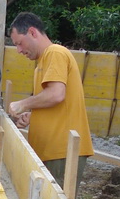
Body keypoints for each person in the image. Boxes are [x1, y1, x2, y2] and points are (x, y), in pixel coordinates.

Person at [7, 11, 93, 187]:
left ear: (32, 32)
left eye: (19, 43)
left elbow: (56, 94)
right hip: (53, 151)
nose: (19, 50)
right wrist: (35, 116)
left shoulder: (55, 52)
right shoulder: (43, 61)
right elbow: (54, 100)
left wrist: (22, 104)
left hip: (61, 151)